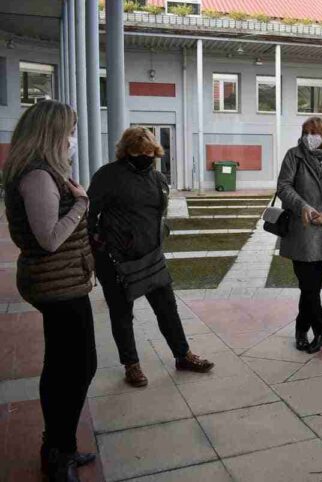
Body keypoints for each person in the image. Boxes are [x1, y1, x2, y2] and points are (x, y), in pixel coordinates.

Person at [3, 101, 97, 482]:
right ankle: (59, 452)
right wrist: (81, 204)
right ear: (52, 133)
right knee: (75, 367)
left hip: (61, 281)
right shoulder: (39, 176)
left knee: (65, 365)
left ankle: (59, 446)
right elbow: (49, 239)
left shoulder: (42, 171)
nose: (73, 139)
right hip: (56, 286)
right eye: (70, 131)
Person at [88, 127, 213, 387]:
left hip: (152, 256)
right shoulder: (108, 176)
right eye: (137, 153)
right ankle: (131, 365)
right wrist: (95, 250)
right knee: (122, 314)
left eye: (148, 152)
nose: (144, 157)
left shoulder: (157, 178)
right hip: (116, 260)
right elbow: (89, 216)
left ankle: (182, 355)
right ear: (126, 152)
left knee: (167, 308)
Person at [277, 117, 322, 354]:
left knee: (312, 288)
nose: (309, 137)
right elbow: (283, 186)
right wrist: (303, 206)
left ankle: (301, 330)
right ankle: (320, 331)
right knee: (308, 286)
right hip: (300, 231)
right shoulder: (293, 156)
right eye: (305, 132)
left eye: (314, 132)